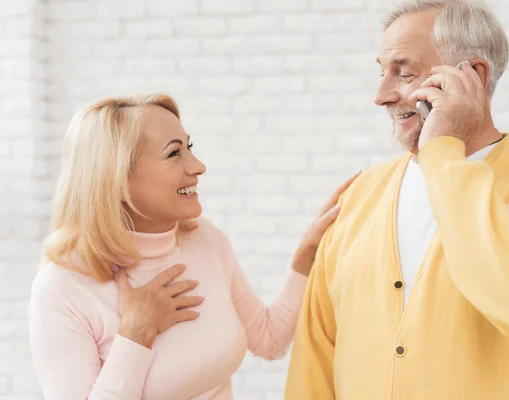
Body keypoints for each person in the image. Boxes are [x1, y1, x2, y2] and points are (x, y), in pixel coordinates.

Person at [284, 1, 509, 399]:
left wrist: (444, 152)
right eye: (382, 72)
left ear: (473, 75)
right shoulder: (359, 195)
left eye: (404, 72)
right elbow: (314, 361)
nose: (381, 95)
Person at [28, 93, 359, 400]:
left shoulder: (204, 240)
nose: (198, 166)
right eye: (174, 153)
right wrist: (135, 333)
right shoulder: (62, 289)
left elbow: (268, 340)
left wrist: (306, 255)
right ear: (115, 178)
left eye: (189, 147)